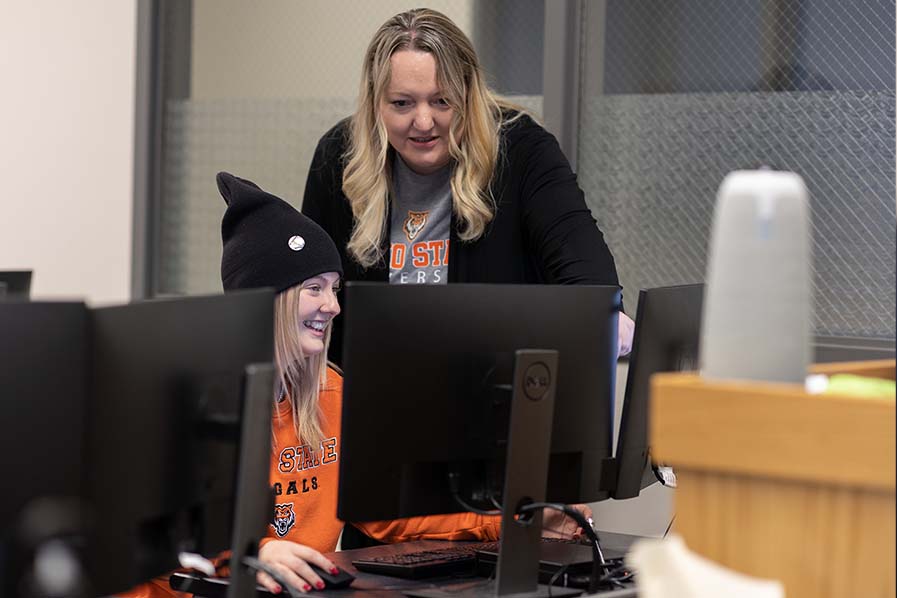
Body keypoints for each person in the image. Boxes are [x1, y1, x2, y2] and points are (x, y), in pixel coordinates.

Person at [120, 173, 587, 597]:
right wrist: (247, 553)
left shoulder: (331, 397)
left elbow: (390, 515)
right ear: (266, 299)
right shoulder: (192, 403)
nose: (333, 307)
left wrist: (514, 520)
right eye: (314, 288)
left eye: (335, 288)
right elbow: (148, 544)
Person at [302, 7, 636, 370]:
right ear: (375, 104)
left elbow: (585, 269)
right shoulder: (339, 156)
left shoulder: (521, 149)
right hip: (370, 396)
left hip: (494, 395)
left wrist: (606, 317)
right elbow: (305, 287)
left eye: (442, 100)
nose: (424, 121)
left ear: (468, 94)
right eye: (402, 103)